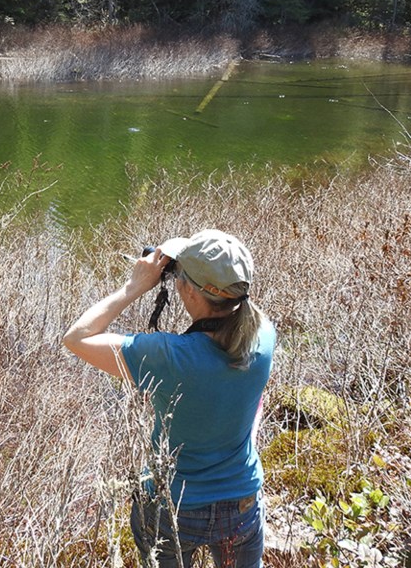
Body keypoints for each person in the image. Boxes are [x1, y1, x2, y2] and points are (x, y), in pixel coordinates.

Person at [63, 229, 275, 568]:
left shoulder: (170, 357)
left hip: (175, 509)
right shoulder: (263, 334)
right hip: (241, 505)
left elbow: (77, 338)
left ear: (189, 290)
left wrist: (136, 285)